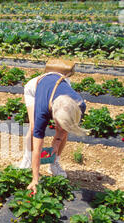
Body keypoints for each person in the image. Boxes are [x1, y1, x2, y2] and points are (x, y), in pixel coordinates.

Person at [19, 59, 87, 194]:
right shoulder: (42, 110)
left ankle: (54, 162)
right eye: (58, 122)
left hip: (59, 84)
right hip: (35, 88)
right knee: (33, 128)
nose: (59, 127)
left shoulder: (79, 105)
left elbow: (65, 127)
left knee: (65, 130)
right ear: (52, 114)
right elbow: (38, 147)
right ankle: (27, 159)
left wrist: (57, 141)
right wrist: (35, 179)